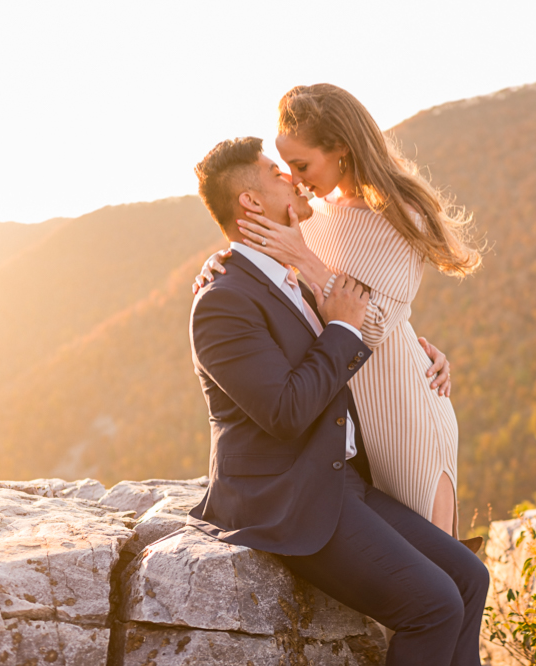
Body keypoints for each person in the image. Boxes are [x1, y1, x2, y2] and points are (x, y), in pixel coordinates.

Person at [187, 136, 488, 666]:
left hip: (340, 479)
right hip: (287, 497)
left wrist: (420, 352)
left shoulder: (290, 278)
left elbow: (363, 336)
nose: (294, 178)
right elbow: (284, 412)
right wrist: (344, 328)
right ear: (251, 203)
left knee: (469, 577)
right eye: (278, 172)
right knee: (435, 605)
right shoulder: (223, 301)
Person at [194, 84, 481, 537]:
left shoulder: (401, 216)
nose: (293, 178)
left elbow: (371, 327)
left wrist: (305, 260)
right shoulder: (314, 214)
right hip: (342, 422)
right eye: (285, 167)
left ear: (341, 149)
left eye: (302, 165)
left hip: (401, 412)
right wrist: (225, 261)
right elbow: (284, 289)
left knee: (437, 568)